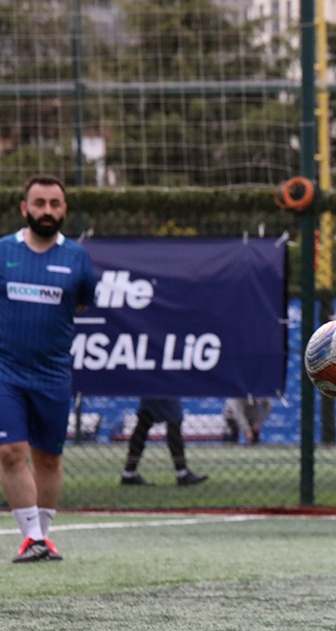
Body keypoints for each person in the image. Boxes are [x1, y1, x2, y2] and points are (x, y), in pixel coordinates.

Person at [0, 175, 98, 563]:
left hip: (53, 375)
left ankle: (42, 536)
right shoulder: (3, 251)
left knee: (48, 459)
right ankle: (31, 538)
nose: (47, 211)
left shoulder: (77, 258)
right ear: (24, 208)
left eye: (55, 204)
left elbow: (82, 303)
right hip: (6, 372)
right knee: (10, 451)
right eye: (39, 203)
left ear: (64, 210)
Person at [119, 398, 209, 486]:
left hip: (152, 390)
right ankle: (182, 472)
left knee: (145, 420)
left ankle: (129, 472)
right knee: (173, 420)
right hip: (165, 390)